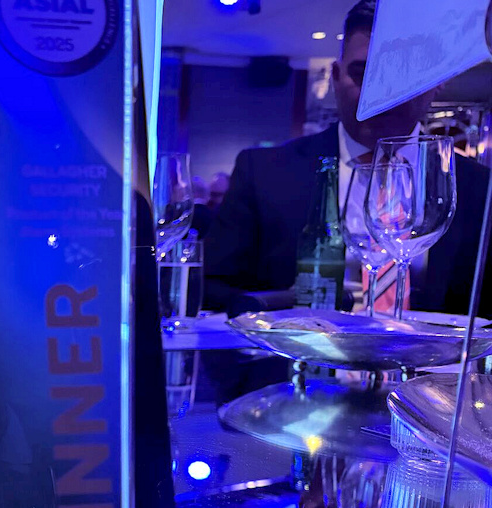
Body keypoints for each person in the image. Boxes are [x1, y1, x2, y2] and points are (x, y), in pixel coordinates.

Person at [203, 0, 490, 316]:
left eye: (403, 74)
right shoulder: (265, 173)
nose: (381, 91)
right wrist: (284, 310)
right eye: (363, 73)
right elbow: (213, 289)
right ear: (336, 76)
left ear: (437, 81)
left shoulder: (478, 188)